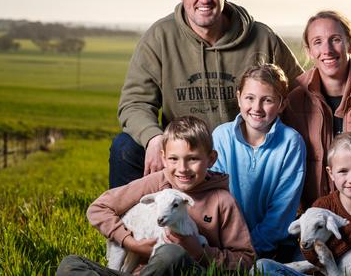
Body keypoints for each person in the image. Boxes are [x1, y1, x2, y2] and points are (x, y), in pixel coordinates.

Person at [110, 0, 303, 188]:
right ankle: (129, 224)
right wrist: (154, 138)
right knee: (125, 147)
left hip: (245, 152)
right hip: (184, 155)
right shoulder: (159, 37)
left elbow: (300, 93)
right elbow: (134, 102)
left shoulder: (262, 38)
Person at [57, 116, 256, 276]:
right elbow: (98, 208)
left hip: (186, 269)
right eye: (173, 159)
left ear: (211, 159)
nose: (182, 168)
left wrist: (199, 252)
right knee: (71, 265)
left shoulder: (223, 201)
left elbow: (246, 260)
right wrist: (130, 242)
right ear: (163, 158)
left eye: (193, 159)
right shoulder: (155, 183)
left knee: (172, 253)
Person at [253, 132, 351, 276]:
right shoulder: (322, 207)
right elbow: (309, 252)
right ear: (331, 173)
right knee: (263, 267)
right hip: (324, 273)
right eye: (343, 171)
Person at [283, 10, 351, 209]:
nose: (326, 50)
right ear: (309, 50)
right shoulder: (293, 100)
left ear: (350, 44)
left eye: (335, 39)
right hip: (312, 217)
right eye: (317, 42)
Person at [211, 63, 306, 260]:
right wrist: (230, 247)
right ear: (238, 98)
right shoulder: (221, 136)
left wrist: (250, 248)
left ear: (282, 105)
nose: (257, 108)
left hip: (273, 246)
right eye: (250, 98)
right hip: (224, 242)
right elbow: (213, 197)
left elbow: (282, 209)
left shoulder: (291, 142)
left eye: (267, 100)